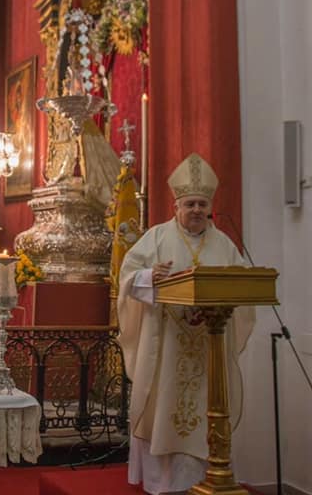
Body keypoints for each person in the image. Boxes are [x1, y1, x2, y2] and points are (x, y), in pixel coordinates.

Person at [117, 153, 255, 495]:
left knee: (205, 409)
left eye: (202, 204)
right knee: (164, 409)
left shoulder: (224, 243)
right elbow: (126, 277)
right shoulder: (157, 237)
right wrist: (150, 276)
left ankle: (207, 477)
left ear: (210, 207)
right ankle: (162, 483)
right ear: (177, 205)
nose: (197, 210)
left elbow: (242, 288)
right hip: (167, 348)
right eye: (190, 203)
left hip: (209, 347)